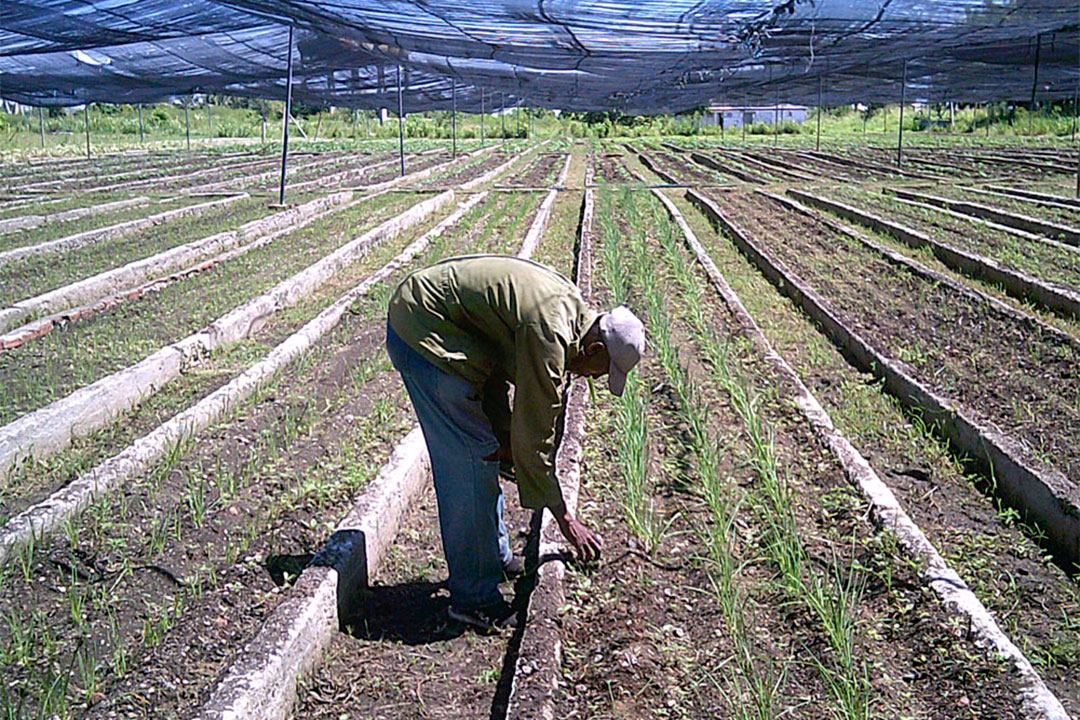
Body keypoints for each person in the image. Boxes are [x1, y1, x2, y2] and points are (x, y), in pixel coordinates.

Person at [386, 254, 645, 630]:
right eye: (602, 372)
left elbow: (513, 406)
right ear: (595, 351)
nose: (595, 378)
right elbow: (534, 439)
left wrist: (507, 436)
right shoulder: (551, 336)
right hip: (426, 332)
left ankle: (494, 555)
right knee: (472, 460)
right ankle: (473, 601)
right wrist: (566, 519)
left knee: (491, 446)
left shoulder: (569, 313)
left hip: (460, 334)